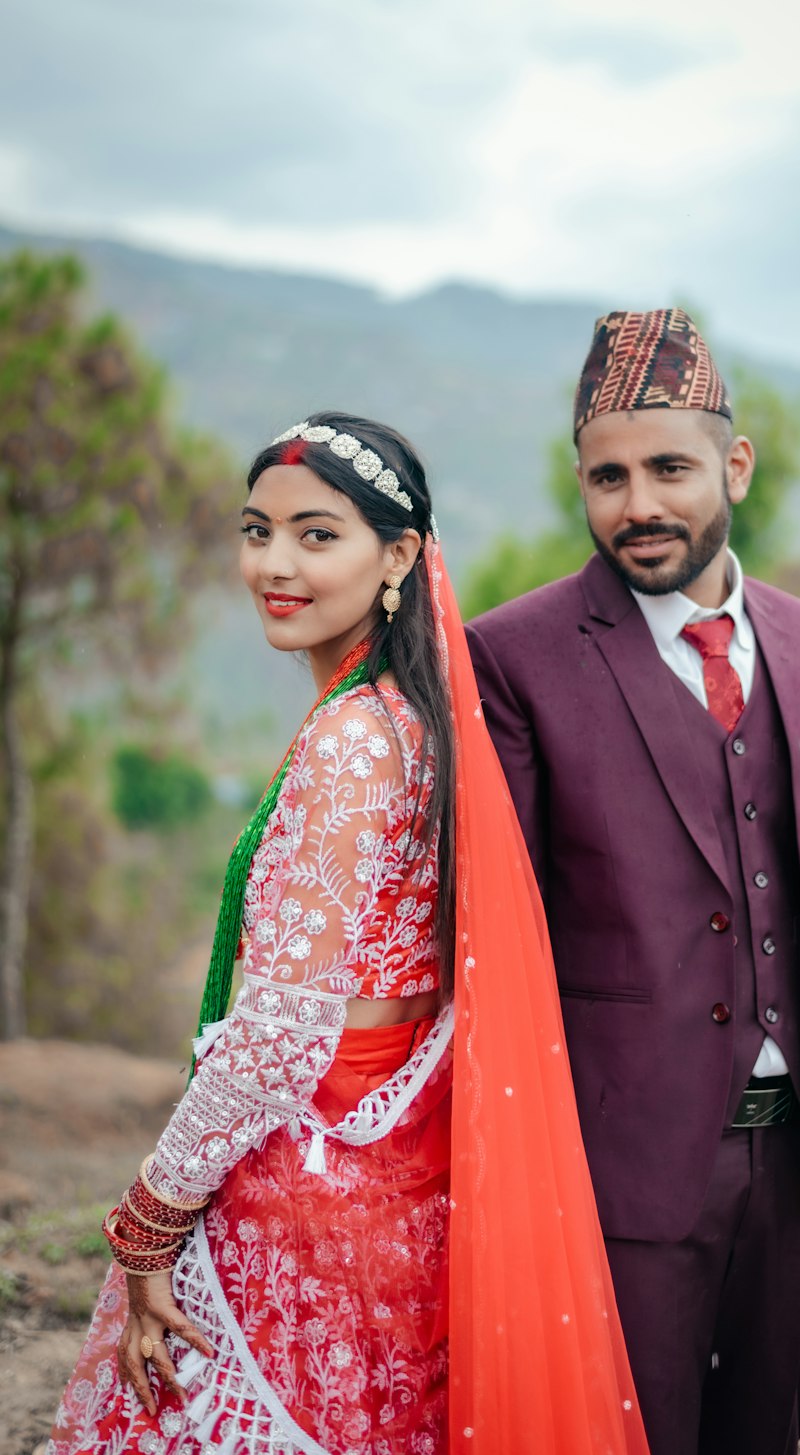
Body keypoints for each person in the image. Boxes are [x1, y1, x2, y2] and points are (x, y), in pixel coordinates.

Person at [49, 413, 649, 1455]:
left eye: (317, 536)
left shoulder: (352, 744)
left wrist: (150, 1213)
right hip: (390, 1194)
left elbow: (279, 1032)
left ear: (401, 555)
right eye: (257, 530)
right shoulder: (410, 719)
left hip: (305, 1210)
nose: (274, 564)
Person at [465, 309, 800, 1455]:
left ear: (733, 465)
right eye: (608, 476)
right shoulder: (514, 655)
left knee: (766, 1433)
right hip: (619, 1164)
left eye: (669, 468)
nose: (639, 504)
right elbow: (499, 935)